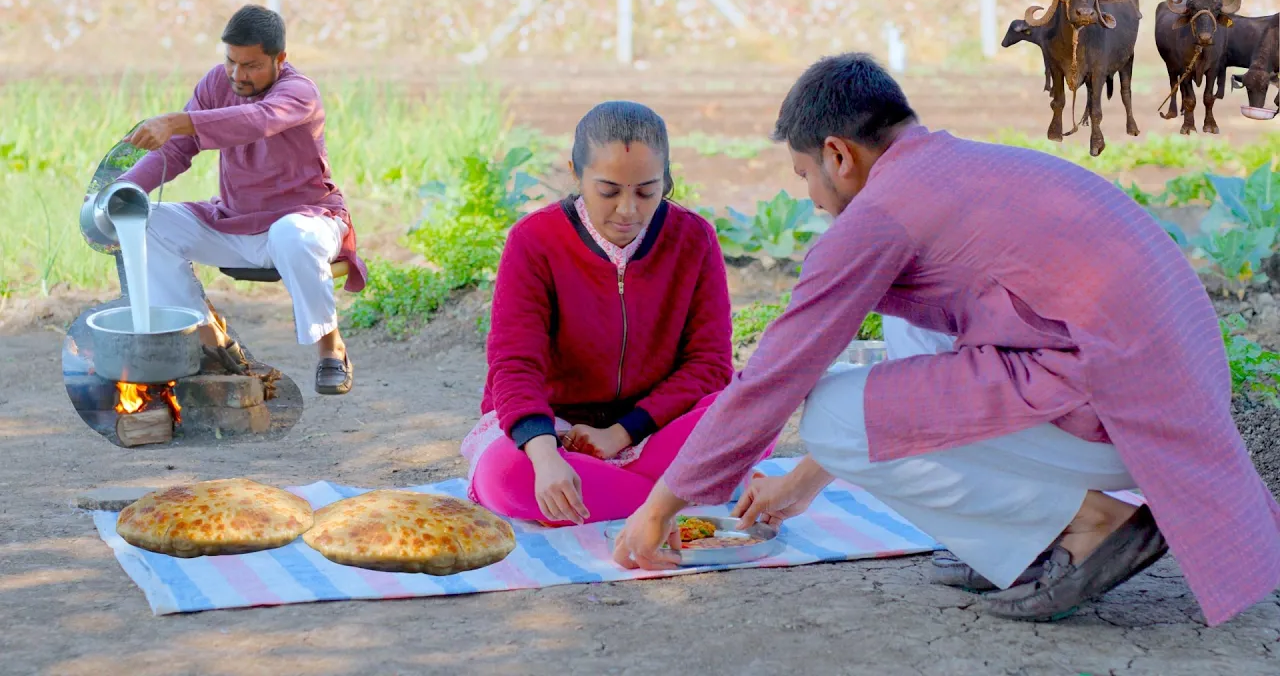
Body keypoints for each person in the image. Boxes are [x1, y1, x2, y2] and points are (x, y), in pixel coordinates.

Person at [610, 52, 1280, 627]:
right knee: (906, 322)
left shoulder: (879, 216)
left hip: (1127, 417)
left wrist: (662, 506)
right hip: (1176, 406)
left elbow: (775, 377)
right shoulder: (960, 169)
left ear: (838, 155)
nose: (812, 197)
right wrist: (807, 484)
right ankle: (1026, 532)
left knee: (833, 415)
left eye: (805, 176)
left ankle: (1083, 524)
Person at [463, 101, 773, 526]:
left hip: (655, 429)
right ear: (576, 174)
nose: (628, 209)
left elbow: (709, 365)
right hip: (554, 434)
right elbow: (515, 365)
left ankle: (651, 493)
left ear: (666, 179)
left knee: (757, 407)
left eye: (647, 191)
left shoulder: (694, 238)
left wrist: (621, 433)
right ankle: (689, 492)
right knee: (508, 476)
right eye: (609, 191)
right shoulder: (533, 241)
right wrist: (546, 455)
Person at [119, 4, 365, 395]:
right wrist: (124, 192)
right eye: (231, 61)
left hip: (305, 220)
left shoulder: (299, 92)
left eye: (251, 65)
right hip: (234, 222)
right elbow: (178, 150)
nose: (237, 74)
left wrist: (175, 121)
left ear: (279, 59)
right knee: (144, 222)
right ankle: (210, 341)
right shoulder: (216, 84)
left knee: (291, 235)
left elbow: (256, 121)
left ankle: (331, 349)